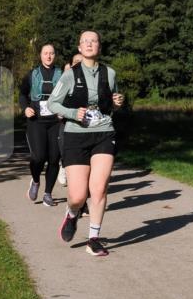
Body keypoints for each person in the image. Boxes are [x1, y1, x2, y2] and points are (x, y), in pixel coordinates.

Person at [47, 31, 124, 257]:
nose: (90, 44)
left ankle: (94, 239)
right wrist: (73, 112)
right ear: (80, 48)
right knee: (78, 197)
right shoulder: (70, 75)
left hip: (103, 133)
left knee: (99, 189)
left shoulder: (109, 73)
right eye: (85, 41)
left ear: (99, 46)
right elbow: (53, 103)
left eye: (94, 41)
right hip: (75, 136)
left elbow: (112, 102)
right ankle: (72, 214)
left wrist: (117, 102)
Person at [18, 44, 63, 207]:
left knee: (53, 158)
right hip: (36, 121)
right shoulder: (32, 74)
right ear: (41, 55)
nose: (49, 56)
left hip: (56, 122)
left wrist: (64, 111)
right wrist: (26, 108)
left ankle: (48, 194)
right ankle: (36, 181)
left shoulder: (62, 74)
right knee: (38, 157)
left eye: (51, 53)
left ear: (55, 55)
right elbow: (22, 94)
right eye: (46, 53)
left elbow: (69, 95)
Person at [57, 53, 83, 189]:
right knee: (64, 148)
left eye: (81, 60)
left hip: (84, 123)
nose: (79, 63)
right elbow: (55, 101)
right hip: (66, 121)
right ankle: (63, 165)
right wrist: (60, 111)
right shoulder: (65, 81)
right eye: (76, 61)